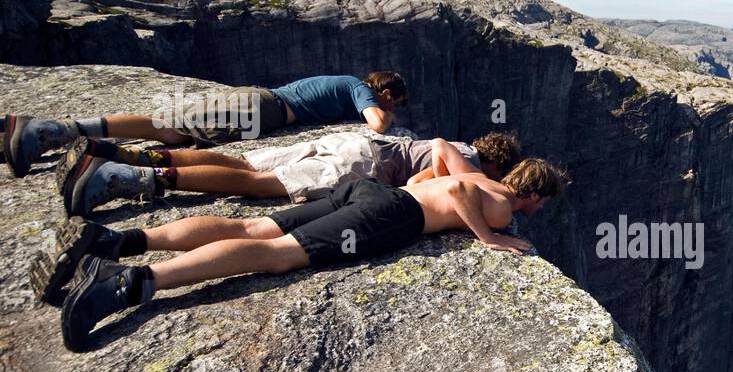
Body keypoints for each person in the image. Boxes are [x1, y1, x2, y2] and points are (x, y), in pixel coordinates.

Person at [37, 158, 569, 351]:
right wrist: (488, 237)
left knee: (248, 222)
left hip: (366, 193)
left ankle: (116, 241)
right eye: (543, 201)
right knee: (273, 255)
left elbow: (438, 166)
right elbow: (457, 197)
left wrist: (419, 189)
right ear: (536, 193)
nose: (538, 210)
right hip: (387, 219)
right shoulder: (501, 206)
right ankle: (128, 281)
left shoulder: (478, 171)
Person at [2, 71, 408, 179]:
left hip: (258, 107)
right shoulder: (361, 89)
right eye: (396, 101)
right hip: (263, 108)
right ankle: (50, 130)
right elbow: (375, 126)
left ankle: (61, 135)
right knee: (167, 127)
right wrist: (385, 114)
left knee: (173, 132)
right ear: (385, 91)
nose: (394, 108)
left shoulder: (344, 85)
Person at [53, 129, 522, 216]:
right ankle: (119, 179)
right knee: (255, 185)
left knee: (242, 162)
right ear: (496, 160)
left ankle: (125, 157)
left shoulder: (462, 144)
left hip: (351, 143)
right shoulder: (474, 163)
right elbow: (445, 165)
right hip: (363, 165)